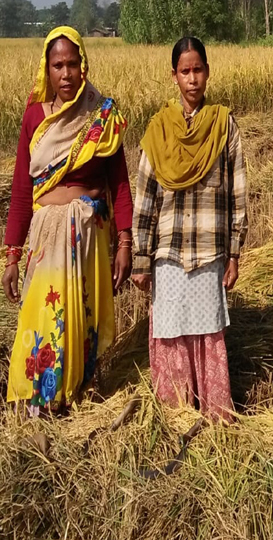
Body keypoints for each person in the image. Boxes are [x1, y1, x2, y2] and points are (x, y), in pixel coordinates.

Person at [2, 26, 132, 414]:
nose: (66, 73)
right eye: (57, 65)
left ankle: (78, 396)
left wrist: (125, 243)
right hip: (46, 237)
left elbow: (119, 183)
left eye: (72, 64)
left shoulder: (102, 116)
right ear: (47, 69)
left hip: (89, 238)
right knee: (44, 317)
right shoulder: (34, 118)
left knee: (81, 321)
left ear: (83, 65)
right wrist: (12, 255)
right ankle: (41, 404)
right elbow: (22, 191)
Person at [132, 37, 247, 423]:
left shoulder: (223, 125)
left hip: (210, 252)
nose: (192, 79)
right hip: (167, 255)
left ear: (208, 72)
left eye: (198, 70)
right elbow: (146, 198)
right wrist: (141, 258)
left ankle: (214, 416)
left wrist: (234, 252)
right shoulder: (159, 129)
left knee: (208, 332)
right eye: (185, 71)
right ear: (174, 76)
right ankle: (176, 415)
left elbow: (237, 193)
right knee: (171, 332)